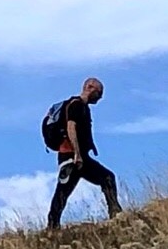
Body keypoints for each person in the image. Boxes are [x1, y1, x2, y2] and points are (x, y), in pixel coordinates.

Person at [46, 76, 122, 231]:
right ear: (90, 87)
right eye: (99, 93)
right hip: (72, 157)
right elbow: (71, 127)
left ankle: (52, 226)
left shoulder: (82, 107)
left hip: (76, 157)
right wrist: (77, 154)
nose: (100, 98)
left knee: (105, 178)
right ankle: (52, 226)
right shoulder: (76, 105)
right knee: (64, 191)